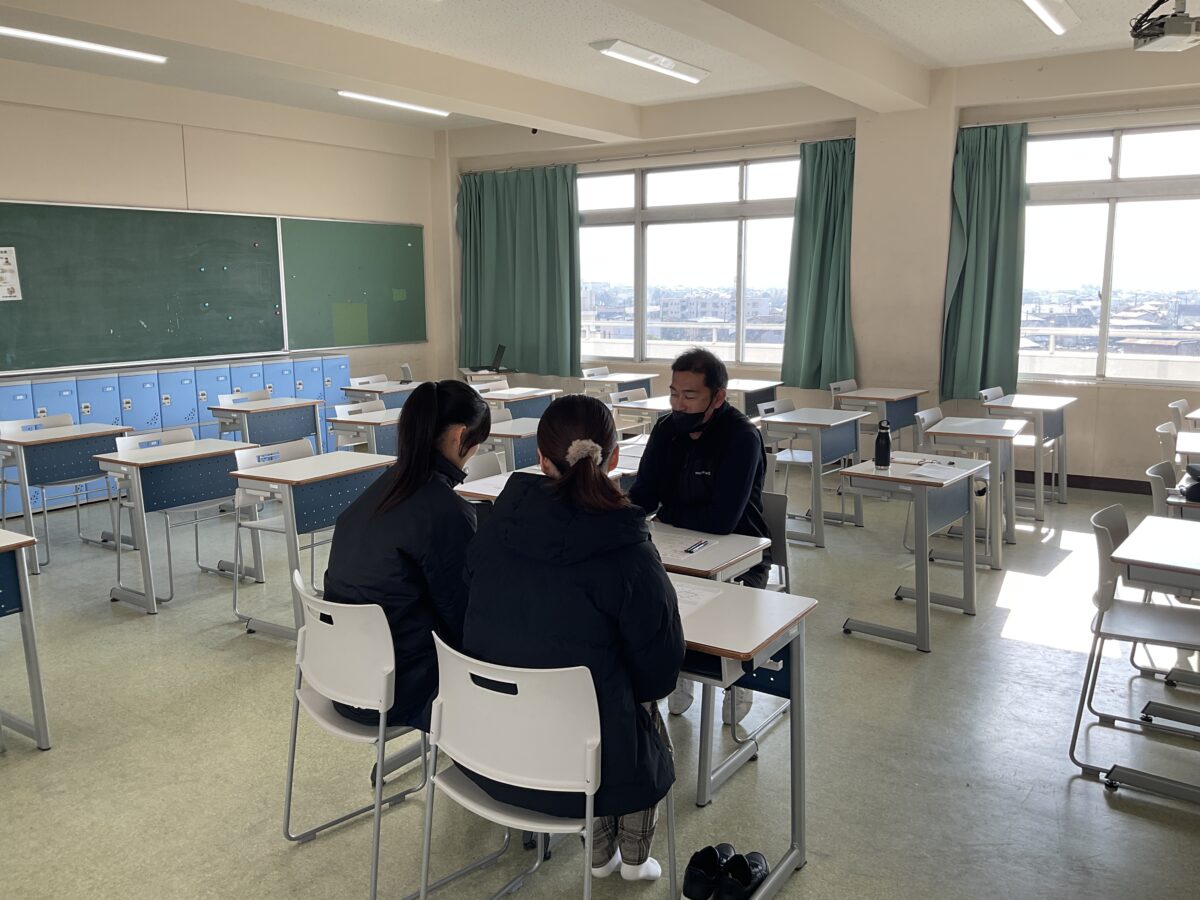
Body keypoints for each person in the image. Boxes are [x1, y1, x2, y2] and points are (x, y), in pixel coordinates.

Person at [463, 394, 684, 883]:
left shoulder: (492, 527)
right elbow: (660, 673)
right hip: (591, 774)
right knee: (632, 706)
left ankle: (598, 853)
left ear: (540, 459)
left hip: (487, 753)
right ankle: (631, 858)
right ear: (615, 457)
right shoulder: (629, 549)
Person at [322, 379, 490, 731]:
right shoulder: (444, 510)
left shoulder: (380, 491)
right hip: (400, 690)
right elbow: (464, 616)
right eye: (477, 443)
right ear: (460, 436)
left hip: (339, 677)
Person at [627, 347, 769, 722]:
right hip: (675, 548)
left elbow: (723, 520)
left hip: (741, 555)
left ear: (717, 397)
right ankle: (675, 666)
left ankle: (738, 677)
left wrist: (668, 512)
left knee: (720, 602)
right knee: (646, 594)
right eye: (674, 393)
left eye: (690, 396)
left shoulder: (741, 437)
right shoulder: (665, 430)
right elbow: (644, 496)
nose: (679, 404)